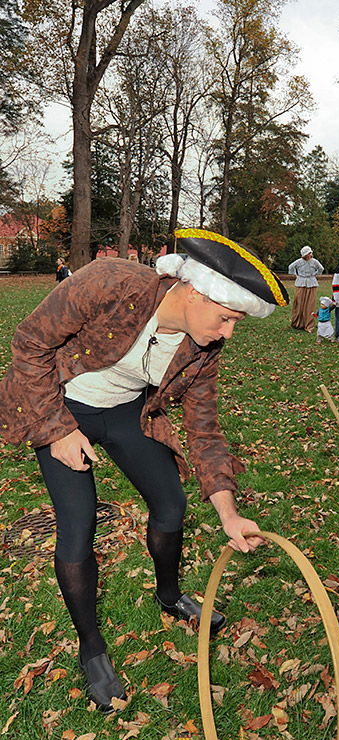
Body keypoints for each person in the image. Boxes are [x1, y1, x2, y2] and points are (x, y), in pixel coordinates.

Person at [0, 229, 289, 711]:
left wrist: (229, 513)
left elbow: (204, 430)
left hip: (125, 412)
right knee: (78, 525)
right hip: (61, 405)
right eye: (226, 318)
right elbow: (29, 343)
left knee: (171, 502)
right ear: (195, 293)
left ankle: (170, 595)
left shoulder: (202, 348)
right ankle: (91, 647)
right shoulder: (109, 282)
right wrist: (56, 430)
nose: (228, 333)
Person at [288, 245, 325, 333]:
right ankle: (297, 323)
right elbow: (291, 267)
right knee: (299, 302)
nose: (309, 255)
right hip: (300, 283)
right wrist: (295, 275)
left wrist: (315, 274)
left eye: (310, 253)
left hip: (312, 283)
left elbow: (321, 269)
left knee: (310, 304)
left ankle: (309, 325)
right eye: (307, 254)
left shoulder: (314, 262)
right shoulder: (299, 262)